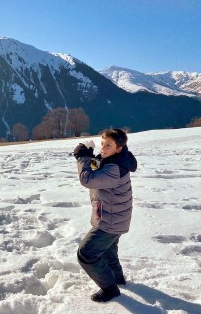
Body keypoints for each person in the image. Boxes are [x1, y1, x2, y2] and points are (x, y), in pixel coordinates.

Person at [73, 128, 137, 302]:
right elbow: (97, 166)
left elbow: (87, 179)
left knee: (86, 254)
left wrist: (82, 158)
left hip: (110, 221)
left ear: (119, 148)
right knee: (108, 252)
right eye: (102, 143)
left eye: (108, 145)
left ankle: (110, 289)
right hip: (115, 218)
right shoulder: (115, 161)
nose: (103, 147)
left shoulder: (114, 169)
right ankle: (117, 279)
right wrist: (89, 156)